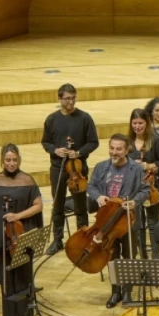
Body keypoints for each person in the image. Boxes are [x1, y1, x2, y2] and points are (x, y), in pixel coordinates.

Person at [0, 144, 45, 316]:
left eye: (14, 160)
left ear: (19, 160)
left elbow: (38, 205)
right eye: (8, 160)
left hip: (20, 235)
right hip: (1, 236)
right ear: (2, 160)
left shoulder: (27, 180)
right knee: (6, 276)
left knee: (22, 276)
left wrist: (17, 216)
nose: (11, 163)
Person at [86, 134, 151, 308]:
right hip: (108, 222)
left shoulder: (136, 169)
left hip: (128, 221)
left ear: (127, 149)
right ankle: (116, 292)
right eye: (112, 148)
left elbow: (146, 190)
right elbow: (90, 186)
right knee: (112, 257)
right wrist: (98, 196)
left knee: (129, 257)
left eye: (119, 149)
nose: (114, 152)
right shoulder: (101, 167)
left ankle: (128, 292)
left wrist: (135, 202)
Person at [41, 84, 100, 254]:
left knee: (81, 206)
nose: (71, 101)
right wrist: (55, 150)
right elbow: (45, 142)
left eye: (73, 97)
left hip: (78, 169)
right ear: (59, 99)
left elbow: (93, 142)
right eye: (67, 98)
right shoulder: (52, 119)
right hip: (58, 168)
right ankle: (57, 240)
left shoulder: (84, 118)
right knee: (57, 205)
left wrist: (79, 152)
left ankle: (83, 240)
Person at [129, 108, 159, 232]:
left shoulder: (155, 141)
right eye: (134, 123)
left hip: (152, 187)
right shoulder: (127, 142)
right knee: (138, 224)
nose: (137, 126)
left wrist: (150, 166)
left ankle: (155, 251)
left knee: (153, 223)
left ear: (147, 123)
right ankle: (142, 251)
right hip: (134, 188)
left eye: (140, 123)